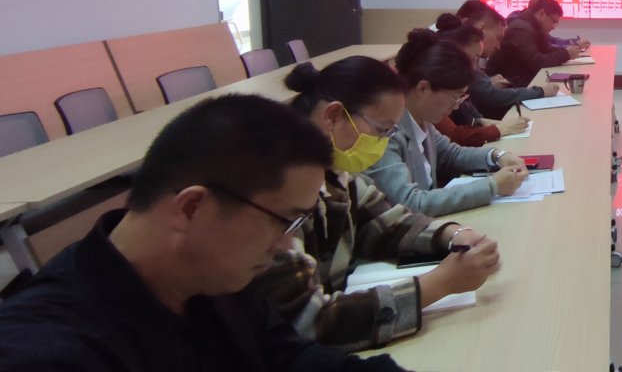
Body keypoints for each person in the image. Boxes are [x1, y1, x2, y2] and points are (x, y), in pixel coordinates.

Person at [0, 95, 408, 371]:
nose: (287, 244)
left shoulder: (214, 280)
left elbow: (292, 358)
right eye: (284, 221)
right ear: (192, 207)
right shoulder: (50, 352)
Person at [247, 58, 502, 352]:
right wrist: (439, 284)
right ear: (333, 116)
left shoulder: (335, 170)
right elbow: (311, 321)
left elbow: (387, 222)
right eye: (381, 130)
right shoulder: (274, 194)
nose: (382, 143)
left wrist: (453, 234)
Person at [365, 29, 527, 216]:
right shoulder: (385, 132)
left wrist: (497, 155)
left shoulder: (421, 119)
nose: (456, 106)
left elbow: (451, 154)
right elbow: (410, 203)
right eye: (455, 97)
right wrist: (492, 186)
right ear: (423, 88)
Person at [450, 4, 559, 119]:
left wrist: (487, 81)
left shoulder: (461, 49)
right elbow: (490, 96)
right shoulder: (460, 54)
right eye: (498, 38)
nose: (498, 46)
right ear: (481, 29)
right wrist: (539, 92)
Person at [433, 17, 529, 145]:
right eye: (474, 59)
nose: (474, 67)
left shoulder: (453, 76)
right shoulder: (435, 81)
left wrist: (481, 121)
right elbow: (454, 136)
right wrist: (498, 129)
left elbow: (466, 107)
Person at [486, 0, 585, 86]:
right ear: (541, 14)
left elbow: (547, 50)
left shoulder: (534, 28)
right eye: (553, 21)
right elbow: (537, 62)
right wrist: (566, 54)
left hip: (520, 81)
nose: (554, 26)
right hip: (506, 86)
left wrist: (567, 51)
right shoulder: (520, 29)